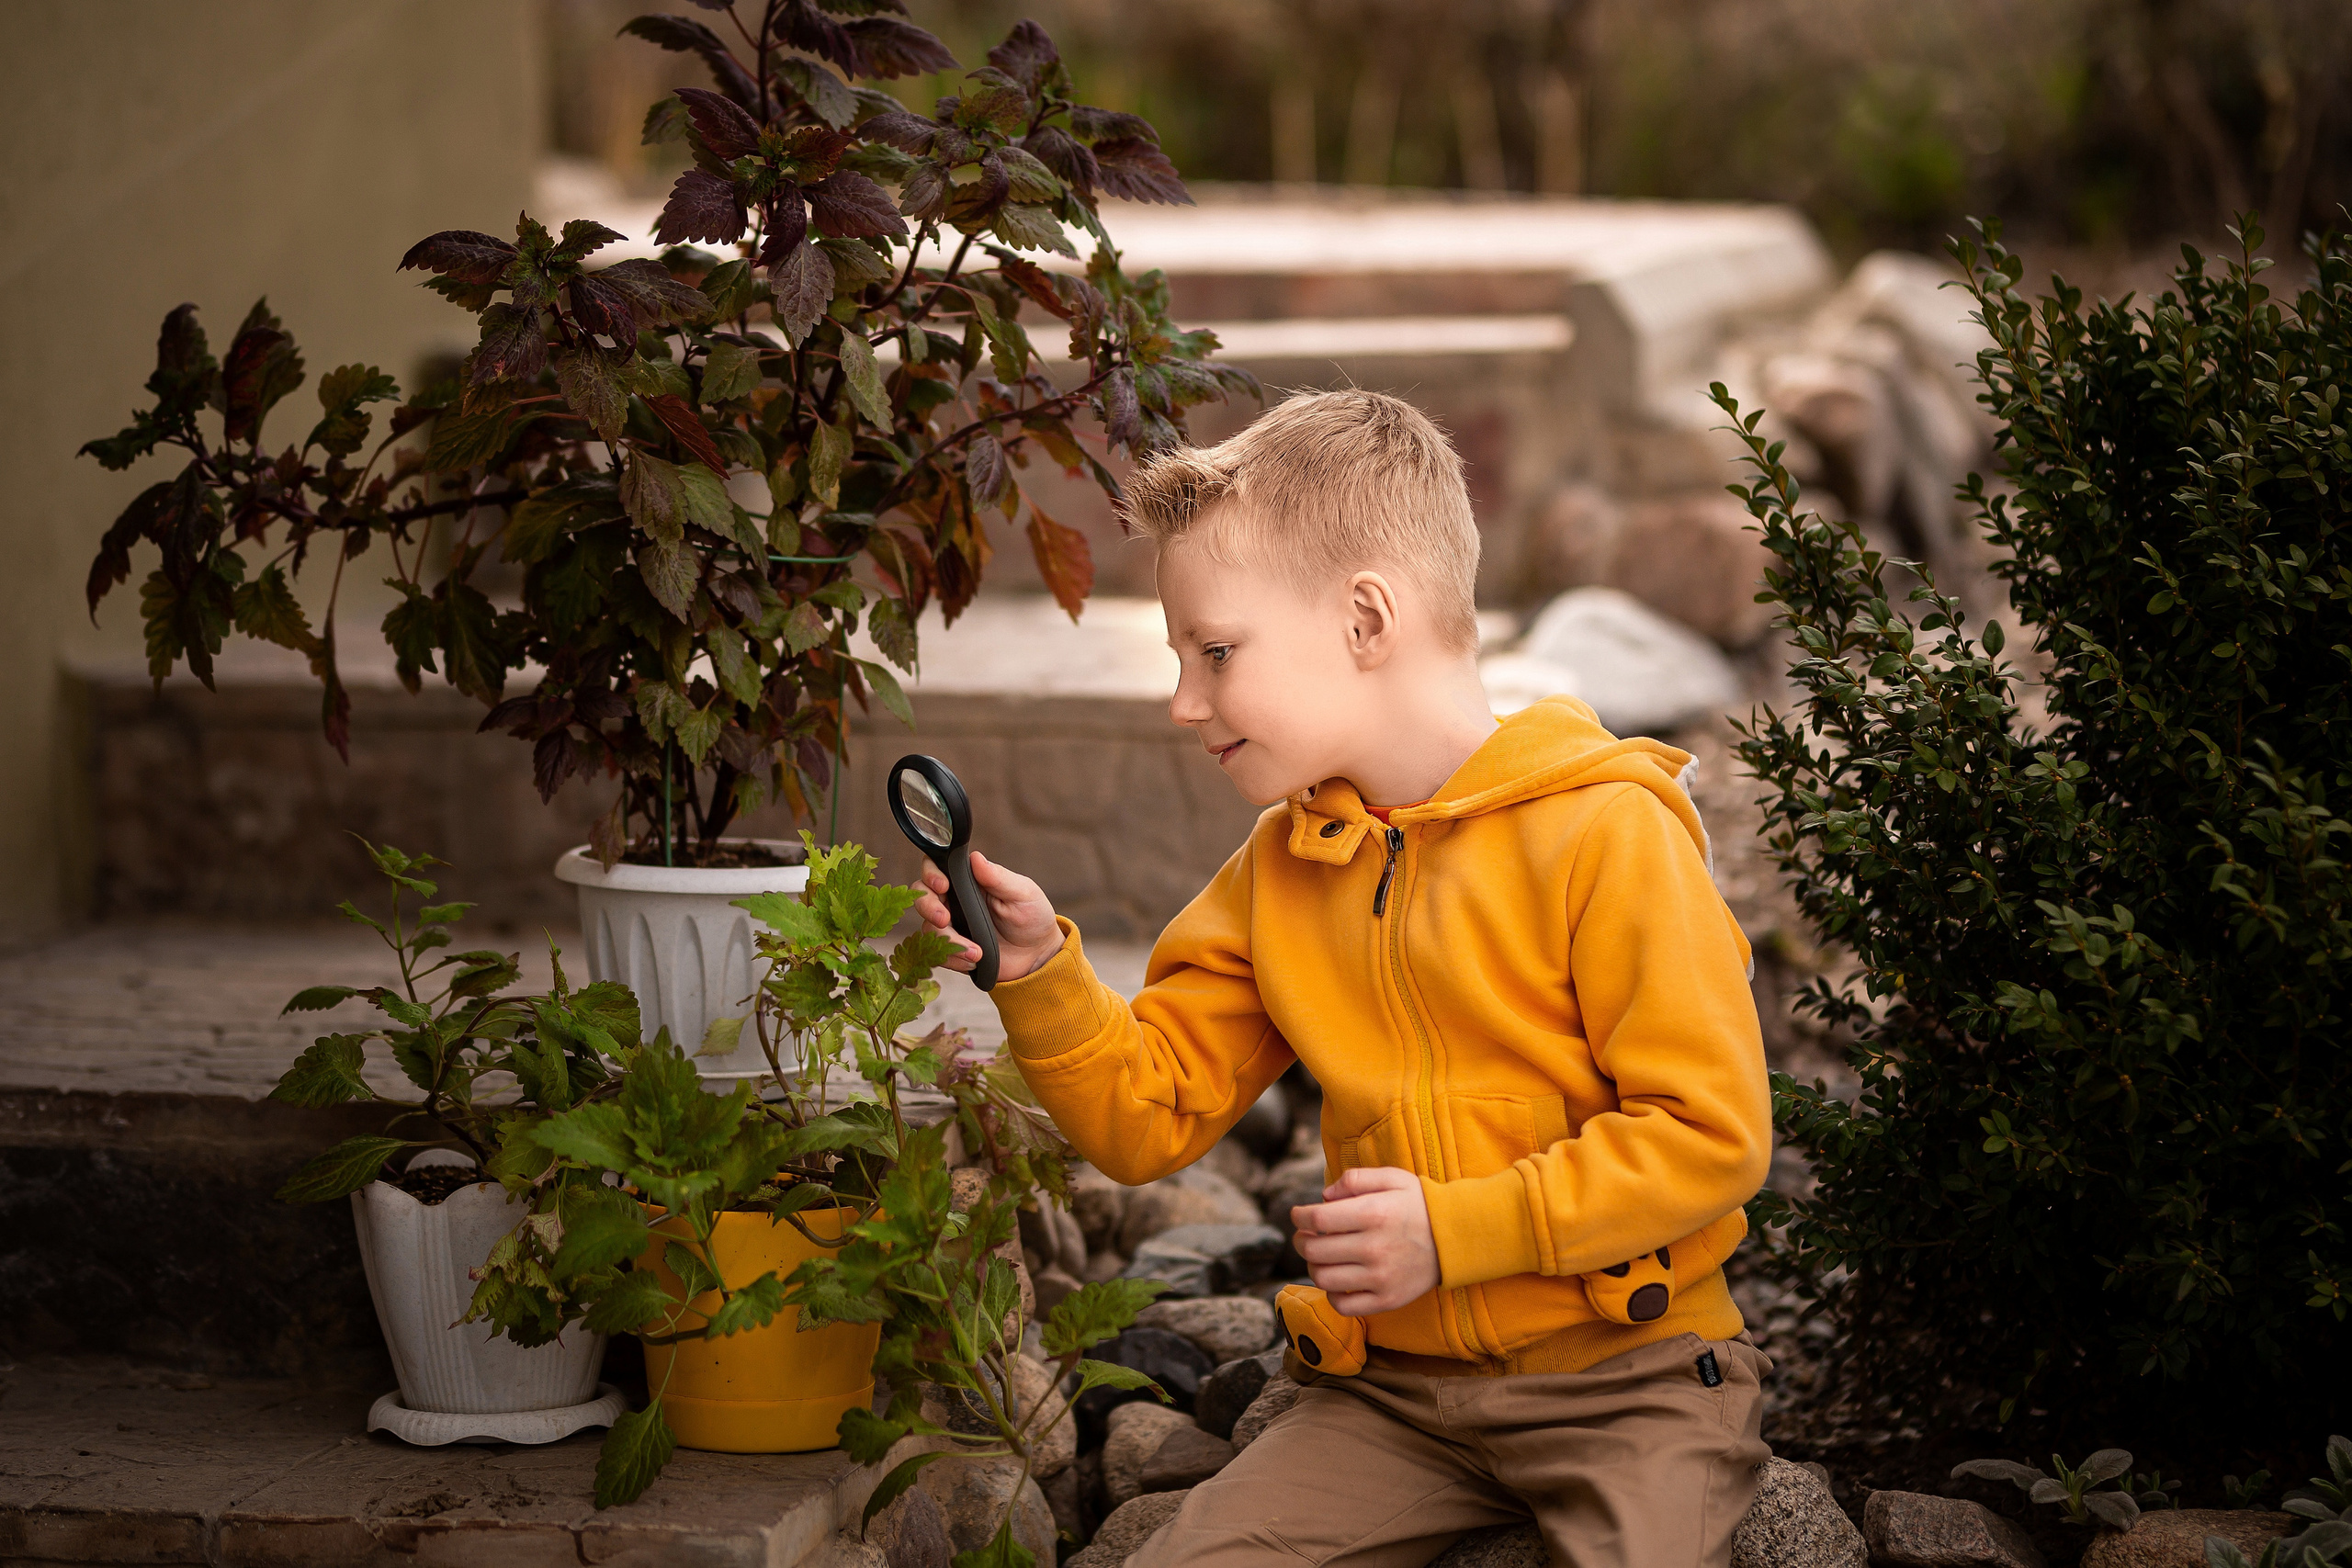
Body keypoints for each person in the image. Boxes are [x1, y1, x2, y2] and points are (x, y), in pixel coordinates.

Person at [913, 389, 1774, 1568]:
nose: (1182, 700)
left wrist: (1461, 1231)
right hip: (1391, 1400)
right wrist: (1042, 975)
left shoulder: (1604, 835)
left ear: (1366, 618)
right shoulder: (1280, 870)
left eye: (1214, 651)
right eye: (1180, 658)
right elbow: (1146, 1115)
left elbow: (1710, 1135)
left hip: (1629, 1386)